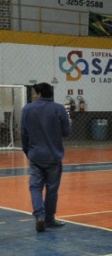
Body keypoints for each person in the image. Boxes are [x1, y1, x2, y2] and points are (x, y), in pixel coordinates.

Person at [21, 82, 71, 232]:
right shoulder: (59, 109)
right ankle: (49, 219)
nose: (34, 96)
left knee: (35, 187)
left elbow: (23, 133)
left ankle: (39, 216)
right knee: (52, 189)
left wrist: (27, 151)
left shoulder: (27, 109)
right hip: (54, 156)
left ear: (39, 94)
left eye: (35, 93)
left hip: (35, 155)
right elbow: (66, 132)